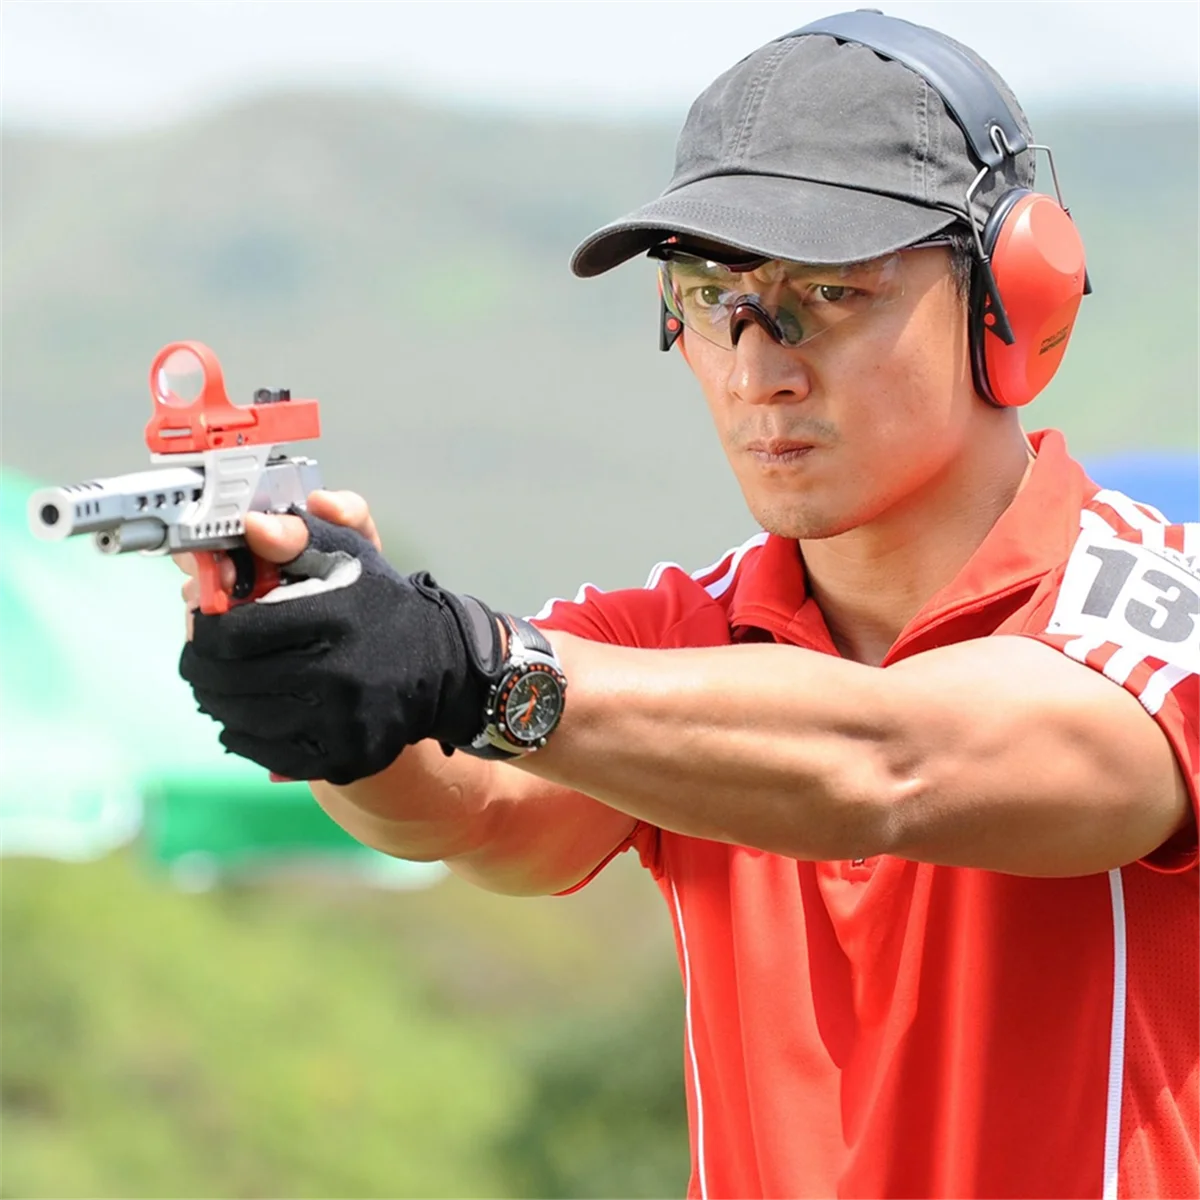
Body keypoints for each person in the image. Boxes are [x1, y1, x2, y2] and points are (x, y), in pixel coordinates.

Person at [176, 12, 1199, 1198]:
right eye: (714, 297)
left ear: (1010, 295)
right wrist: (332, 686)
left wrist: (471, 666)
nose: (760, 368)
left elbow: (892, 765)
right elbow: (475, 813)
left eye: (829, 292)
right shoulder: (674, 641)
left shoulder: (1156, 614)